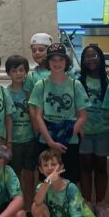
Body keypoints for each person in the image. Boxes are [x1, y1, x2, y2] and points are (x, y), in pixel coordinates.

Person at [29, 43, 88, 180]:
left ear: (66, 62)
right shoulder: (41, 85)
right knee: (47, 180)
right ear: (48, 62)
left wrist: (65, 138)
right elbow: (38, 116)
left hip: (69, 141)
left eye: (60, 59)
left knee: (69, 180)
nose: (57, 63)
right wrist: (50, 142)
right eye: (53, 60)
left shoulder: (75, 85)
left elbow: (83, 116)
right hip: (46, 138)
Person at [77, 44, 109, 217]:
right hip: (84, 131)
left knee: (101, 167)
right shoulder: (78, 81)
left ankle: (101, 203)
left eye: (94, 55)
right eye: (87, 57)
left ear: (100, 58)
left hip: (103, 131)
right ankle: (87, 202)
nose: (91, 59)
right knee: (85, 167)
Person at [4, 55, 37, 217]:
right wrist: (8, 143)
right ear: (8, 73)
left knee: (29, 177)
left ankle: (29, 211)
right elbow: (6, 119)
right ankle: (17, 212)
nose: (18, 73)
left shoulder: (30, 91)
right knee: (14, 178)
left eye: (21, 70)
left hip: (30, 139)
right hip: (14, 141)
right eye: (14, 70)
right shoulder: (5, 93)